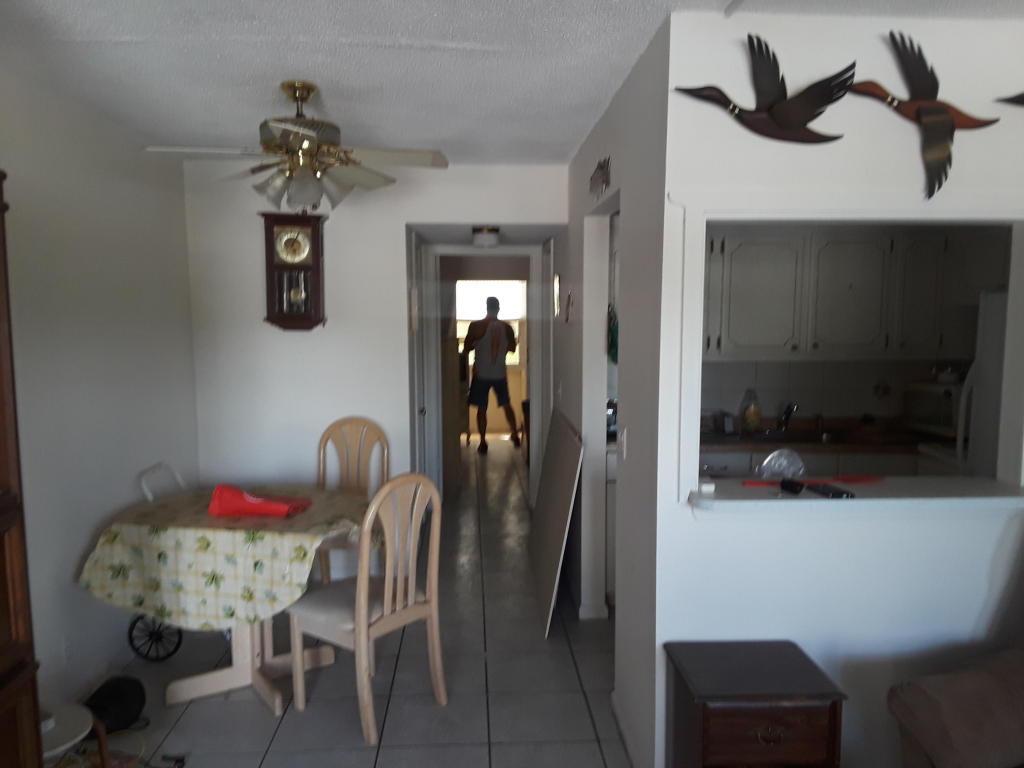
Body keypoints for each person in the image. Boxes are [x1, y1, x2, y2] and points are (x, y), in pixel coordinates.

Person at [462, 296, 521, 454]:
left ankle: (483, 442)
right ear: (498, 309)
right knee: (506, 404)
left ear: (486, 308)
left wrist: (479, 343)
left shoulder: (476, 326)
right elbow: (512, 348)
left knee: (482, 409)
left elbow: (466, 348)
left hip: (481, 374)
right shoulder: (507, 328)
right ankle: (515, 435)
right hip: (499, 373)